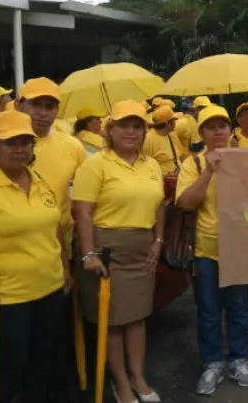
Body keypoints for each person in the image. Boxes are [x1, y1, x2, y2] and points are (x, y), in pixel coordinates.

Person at [72, 100, 167, 403]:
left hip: (143, 250)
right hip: (106, 250)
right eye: (123, 125)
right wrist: (88, 254)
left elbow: (159, 207)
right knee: (112, 320)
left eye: (136, 126)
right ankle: (120, 381)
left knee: (137, 317)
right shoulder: (95, 164)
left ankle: (138, 376)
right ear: (110, 130)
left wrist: (158, 240)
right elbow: (83, 212)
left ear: (144, 130)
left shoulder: (151, 164)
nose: (130, 131)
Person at [0, 110, 72, 403]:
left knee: (43, 365)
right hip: (7, 299)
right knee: (9, 372)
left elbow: (55, 227)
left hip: (49, 289)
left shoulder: (39, 180)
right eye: (11, 143)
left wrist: (66, 271)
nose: (20, 149)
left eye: (26, 142)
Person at [175, 104, 248, 395]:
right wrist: (209, 171)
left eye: (222, 125)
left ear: (230, 130)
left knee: (238, 308)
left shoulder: (245, 161)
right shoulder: (192, 164)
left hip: (239, 249)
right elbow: (185, 203)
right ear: (202, 133)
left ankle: (238, 359)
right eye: (211, 127)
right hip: (205, 251)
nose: (218, 131)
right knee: (208, 310)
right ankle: (212, 363)